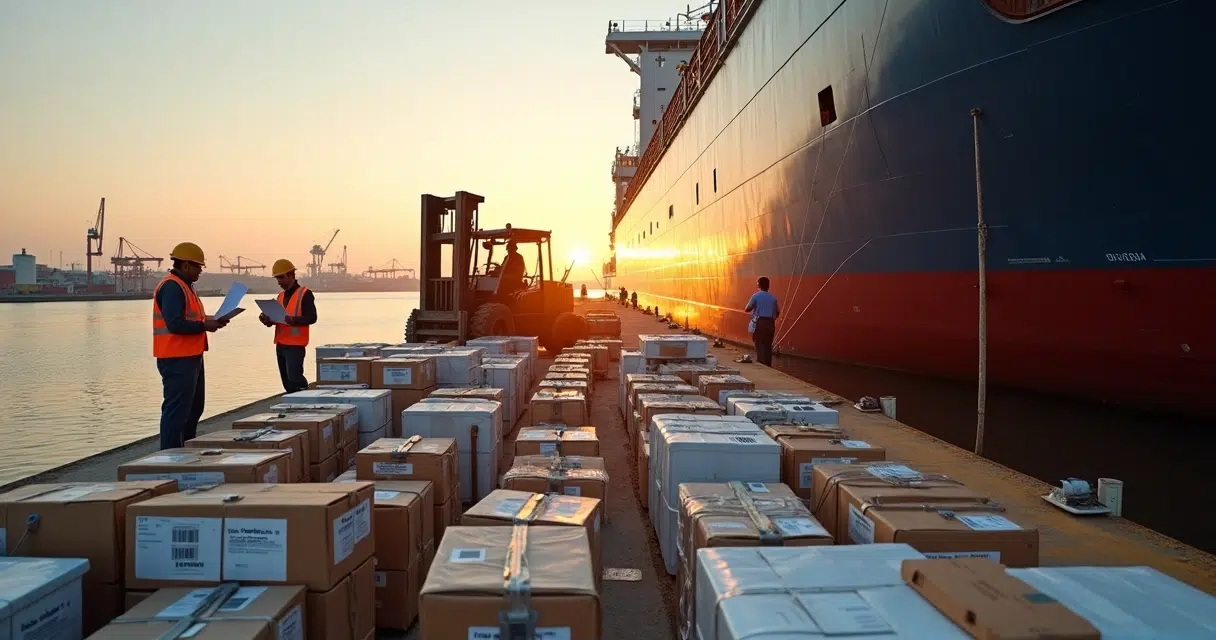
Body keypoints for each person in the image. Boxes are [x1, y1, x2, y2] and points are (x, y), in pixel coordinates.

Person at [153, 242, 228, 450]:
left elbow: (193, 318)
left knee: (194, 409)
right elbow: (175, 323)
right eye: (198, 266)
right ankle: (170, 457)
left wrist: (213, 320)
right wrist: (206, 325)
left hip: (191, 356)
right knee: (176, 411)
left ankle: (186, 452)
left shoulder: (186, 287)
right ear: (185, 265)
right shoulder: (172, 287)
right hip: (176, 359)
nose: (200, 271)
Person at [260, 259, 317, 393]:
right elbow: (278, 317)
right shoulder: (280, 296)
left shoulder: (305, 294)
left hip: (295, 344)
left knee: (295, 377)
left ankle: (306, 397)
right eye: (277, 278)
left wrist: (293, 320)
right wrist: (267, 319)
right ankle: (294, 403)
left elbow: (312, 318)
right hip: (281, 344)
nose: (278, 281)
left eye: (281, 277)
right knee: (286, 380)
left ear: (290, 275)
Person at [745, 276, 780, 366]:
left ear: (759, 285)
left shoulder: (756, 296)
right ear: (768, 286)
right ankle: (768, 365)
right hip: (770, 323)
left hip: (760, 322)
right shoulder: (773, 298)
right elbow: (777, 312)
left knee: (759, 344)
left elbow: (748, 309)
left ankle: (761, 364)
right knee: (768, 345)